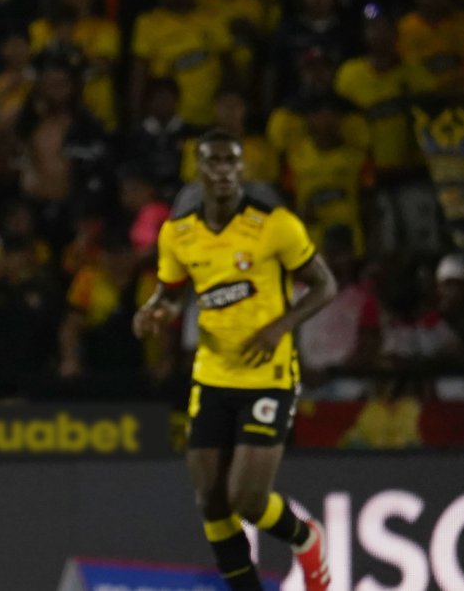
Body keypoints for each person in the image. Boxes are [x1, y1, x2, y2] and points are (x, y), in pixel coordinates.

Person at [132, 130, 338, 591]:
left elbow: (325, 285)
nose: (223, 171)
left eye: (232, 162)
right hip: (212, 374)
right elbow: (169, 295)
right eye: (213, 162)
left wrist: (280, 326)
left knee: (246, 499)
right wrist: (151, 313)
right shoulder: (178, 233)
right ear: (198, 170)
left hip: (269, 376)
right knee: (210, 500)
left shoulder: (274, 225)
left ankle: (306, 539)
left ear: (241, 169)